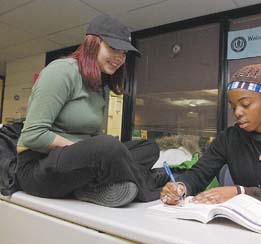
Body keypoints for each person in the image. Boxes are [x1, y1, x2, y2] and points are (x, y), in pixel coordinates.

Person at [15, 14, 165, 207]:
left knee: (149, 148)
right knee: (108, 147)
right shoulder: (61, 71)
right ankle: (149, 184)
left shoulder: (100, 86)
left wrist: (94, 153)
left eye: (124, 53)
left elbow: (93, 141)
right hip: (38, 168)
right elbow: (32, 135)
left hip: (79, 164)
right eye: (113, 48)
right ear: (92, 43)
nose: (120, 58)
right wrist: (85, 151)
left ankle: (91, 186)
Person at [160, 64, 261, 211]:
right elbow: (199, 174)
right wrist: (181, 187)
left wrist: (239, 192)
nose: (237, 113)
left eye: (245, 104)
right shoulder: (229, 138)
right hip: (239, 221)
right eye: (233, 107)